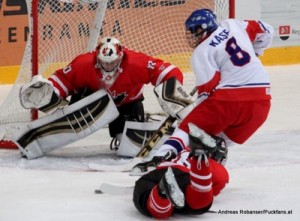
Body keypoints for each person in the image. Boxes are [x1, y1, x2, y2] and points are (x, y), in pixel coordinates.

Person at [131, 8, 274, 174]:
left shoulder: (202, 51)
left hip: (231, 100)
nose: (192, 36)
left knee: (190, 128)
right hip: (262, 103)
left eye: (195, 31)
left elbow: (207, 93)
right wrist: (256, 52)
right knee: (216, 141)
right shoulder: (233, 25)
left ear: (205, 29)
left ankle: (158, 161)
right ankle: (203, 169)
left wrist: (195, 116)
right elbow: (267, 31)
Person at [15, 36, 187, 159]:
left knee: (128, 143)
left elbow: (168, 71)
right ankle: (41, 137)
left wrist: (171, 89)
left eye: (112, 63)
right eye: (104, 62)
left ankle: (181, 136)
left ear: (121, 56)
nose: (108, 66)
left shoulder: (136, 62)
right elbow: (64, 80)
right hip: (91, 99)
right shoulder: (84, 63)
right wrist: (51, 91)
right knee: (93, 99)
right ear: (97, 57)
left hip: (127, 106)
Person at [133, 123, 229, 219]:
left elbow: (173, 144)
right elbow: (221, 178)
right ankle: (201, 158)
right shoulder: (214, 166)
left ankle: (162, 191)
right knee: (200, 202)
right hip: (187, 179)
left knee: (144, 199)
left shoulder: (183, 150)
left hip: (156, 173)